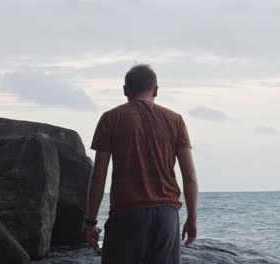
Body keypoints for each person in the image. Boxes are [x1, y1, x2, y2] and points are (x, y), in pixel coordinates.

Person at [85, 64, 198, 264]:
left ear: (125, 90)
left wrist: (91, 222)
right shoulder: (176, 120)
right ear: (155, 90)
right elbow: (189, 177)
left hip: (126, 214)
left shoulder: (111, 118)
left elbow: (99, 176)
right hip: (166, 215)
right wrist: (192, 219)